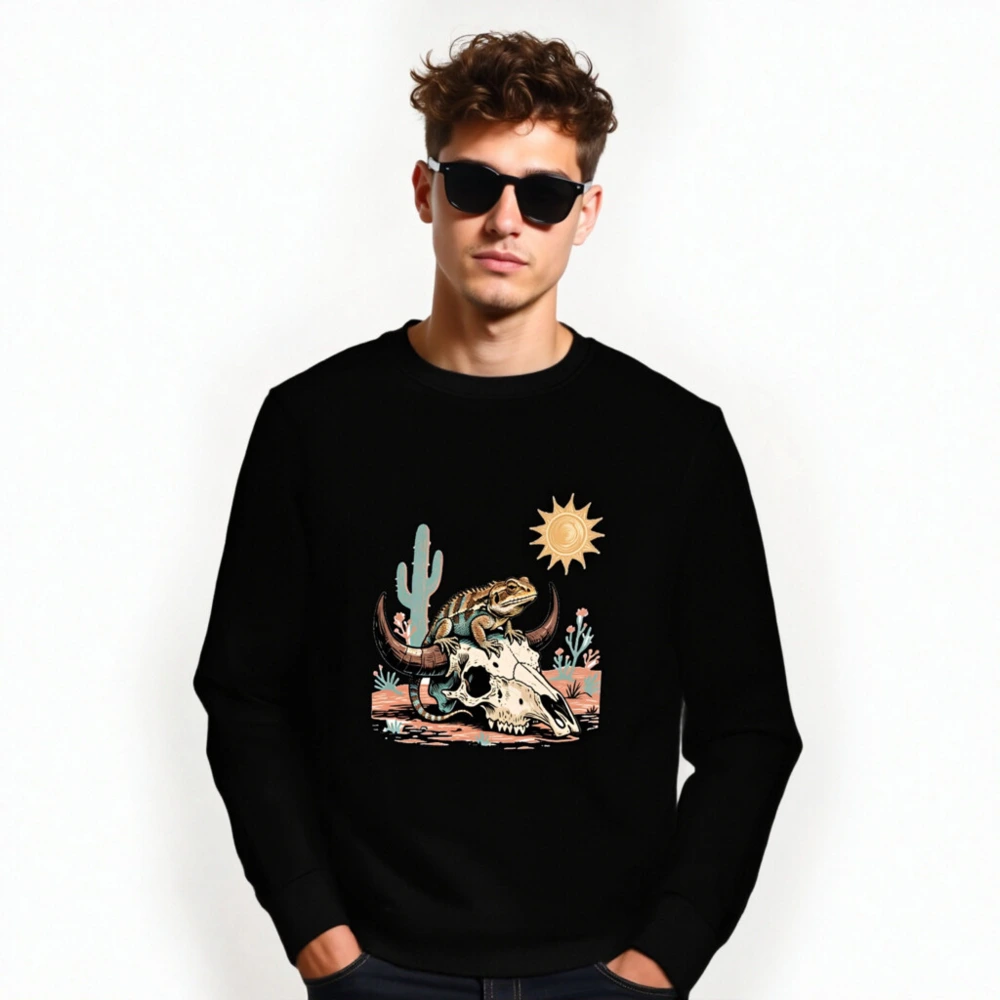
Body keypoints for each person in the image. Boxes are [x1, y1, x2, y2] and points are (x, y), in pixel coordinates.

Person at [193, 29, 803, 1000]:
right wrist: (319, 934)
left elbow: (750, 729)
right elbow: (244, 694)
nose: (506, 220)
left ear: (585, 213)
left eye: (545, 194)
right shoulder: (313, 424)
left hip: (601, 971)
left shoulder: (674, 441)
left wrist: (664, 957)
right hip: (377, 969)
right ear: (425, 191)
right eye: (474, 185)